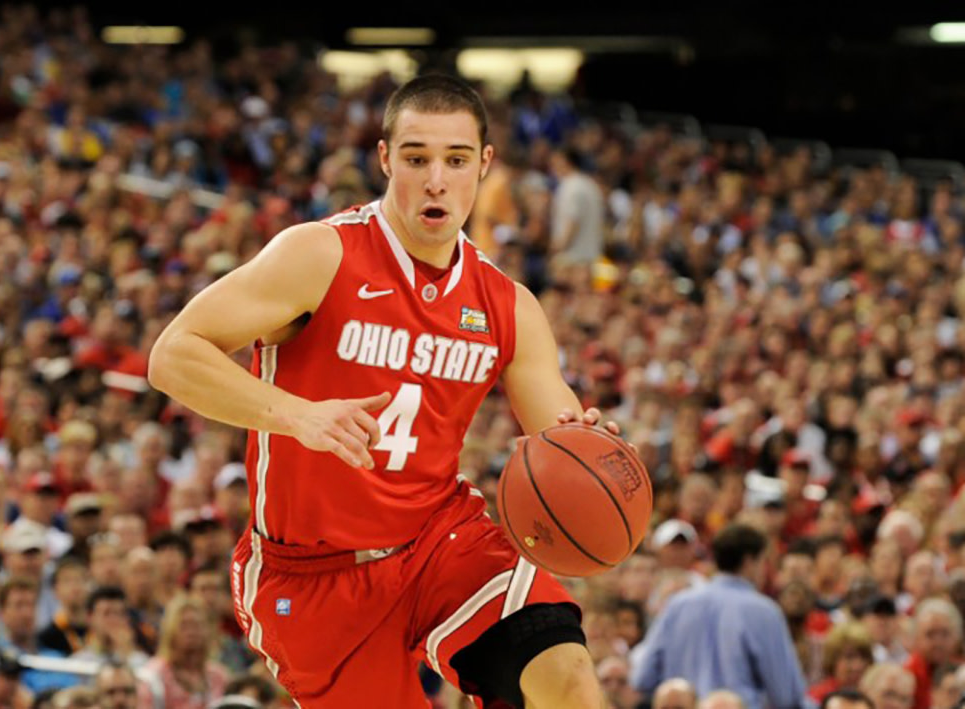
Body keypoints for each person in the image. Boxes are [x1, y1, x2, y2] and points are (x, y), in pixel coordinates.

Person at [150, 73, 616, 707]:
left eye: (455, 161)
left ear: (483, 165)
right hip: (311, 575)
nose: (435, 180)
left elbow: (558, 436)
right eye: (416, 158)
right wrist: (296, 414)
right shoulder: (320, 254)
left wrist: (592, 457)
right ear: (384, 159)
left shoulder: (508, 305)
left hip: (440, 542)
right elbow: (173, 354)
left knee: (569, 682)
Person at [631, 524, 808, 709]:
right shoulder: (764, 611)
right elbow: (785, 696)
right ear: (749, 562)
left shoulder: (678, 605)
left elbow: (643, 677)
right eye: (763, 561)